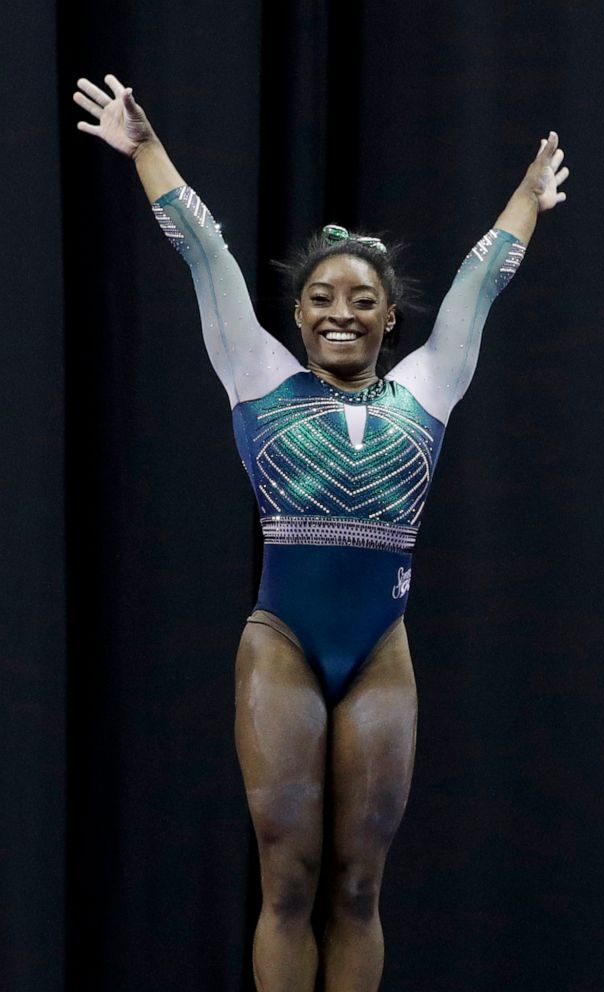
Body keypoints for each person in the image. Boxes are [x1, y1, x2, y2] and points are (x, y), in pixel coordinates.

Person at [73, 73, 569, 992]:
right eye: (321, 299)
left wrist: (528, 198)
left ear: (389, 317)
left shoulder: (429, 388)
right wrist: (145, 149)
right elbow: (205, 256)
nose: (341, 311)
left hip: (380, 649)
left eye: (362, 299)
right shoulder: (255, 375)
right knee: (290, 875)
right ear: (296, 318)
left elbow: (480, 282)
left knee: (356, 882)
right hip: (284, 647)